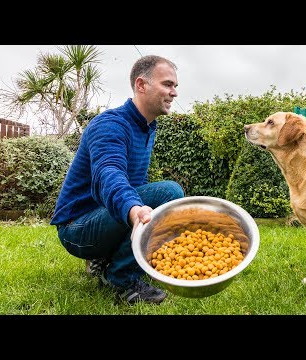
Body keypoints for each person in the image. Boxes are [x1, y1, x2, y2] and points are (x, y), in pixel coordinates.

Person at [50, 55, 185, 305]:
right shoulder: (110, 125)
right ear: (141, 85)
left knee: (154, 196)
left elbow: (136, 183)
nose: (174, 92)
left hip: (104, 218)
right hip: (76, 229)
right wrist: (134, 211)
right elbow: (108, 174)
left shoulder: (147, 127)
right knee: (169, 192)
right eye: (168, 84)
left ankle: (106, 260)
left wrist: (137, 206)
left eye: (175, 86)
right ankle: (121, 278)